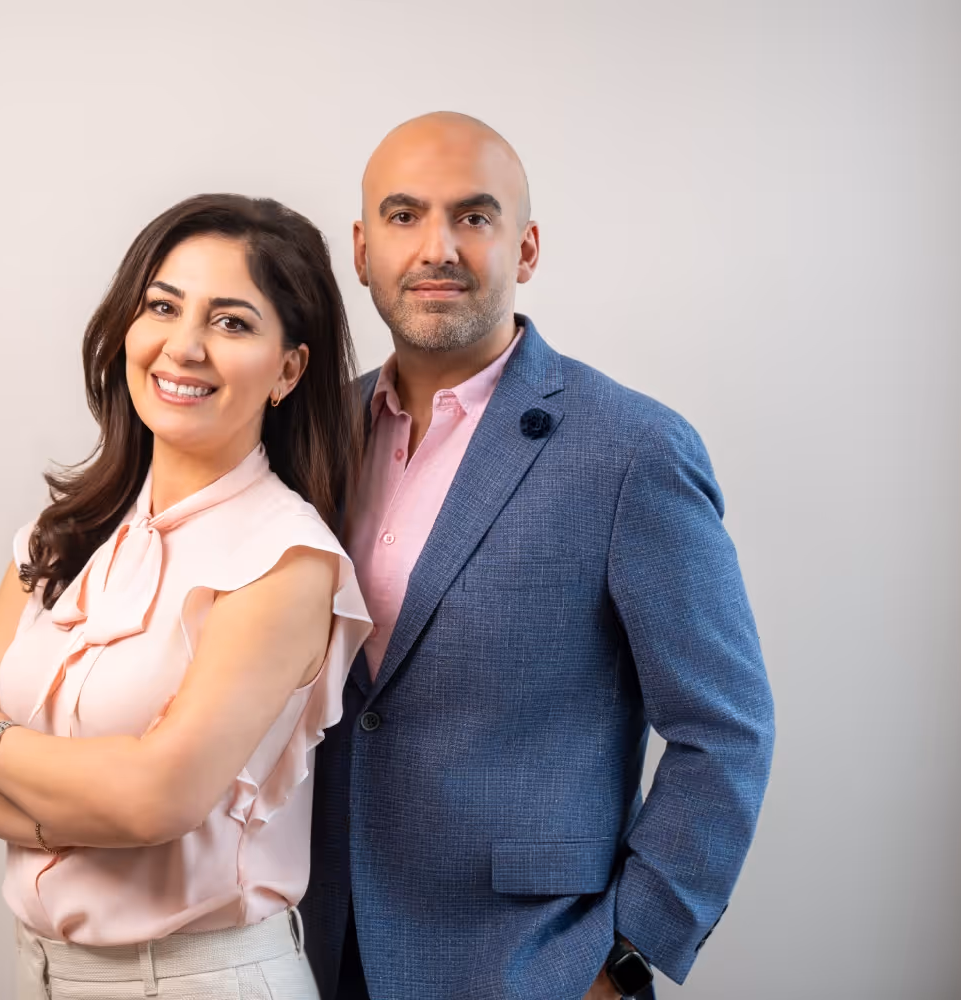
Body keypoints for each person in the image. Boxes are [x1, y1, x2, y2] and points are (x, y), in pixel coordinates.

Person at [300, 113, 776, 1000]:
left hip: (533, 966)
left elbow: (726, 730)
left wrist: (625, 953)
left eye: (474, 217)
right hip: (322, 951)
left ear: (526, 248)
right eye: (404, 217)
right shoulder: (310, 435)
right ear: (361, 250)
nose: (437, 247)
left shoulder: (631, 450)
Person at [0, 194, 372, 1000]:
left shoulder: (285, 560)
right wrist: (100, 809)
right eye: (163, 306)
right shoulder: (61, 535)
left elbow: (156, 795)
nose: (183, 346)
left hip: (203, 980)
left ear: (288, 369)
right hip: (42, 972)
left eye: (231, 323)